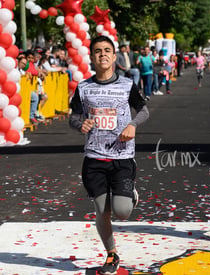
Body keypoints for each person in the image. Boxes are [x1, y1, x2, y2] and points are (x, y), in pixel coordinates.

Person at [69, 35, 149, 275]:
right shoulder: (83, 88)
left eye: (106, 50)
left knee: (122, 211)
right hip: (94, 159)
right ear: (92, 57)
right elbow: (73, 117)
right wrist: (79, 125)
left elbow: (143, 110)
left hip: (122, 158)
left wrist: (133, 124)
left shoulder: (126, 85)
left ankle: (129, 194)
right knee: (102, 210)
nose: (102, 54)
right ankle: (112, 254)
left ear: (114, 57)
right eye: (97, 51)